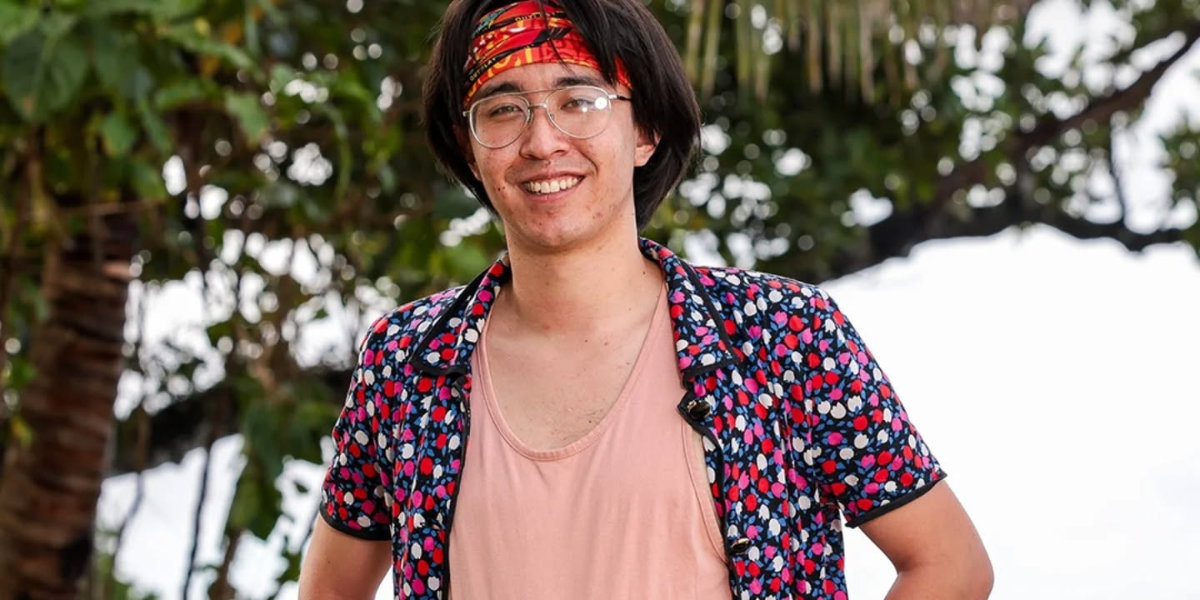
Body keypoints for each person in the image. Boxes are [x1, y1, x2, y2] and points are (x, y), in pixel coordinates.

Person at [298, 0, 993, 598]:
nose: (542, 141)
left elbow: (949, 564)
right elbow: (330, 587)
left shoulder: (780, 336)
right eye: (503, 109)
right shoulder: (409, 361)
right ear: (468, 144)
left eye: (579, 99)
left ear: (645, 129)